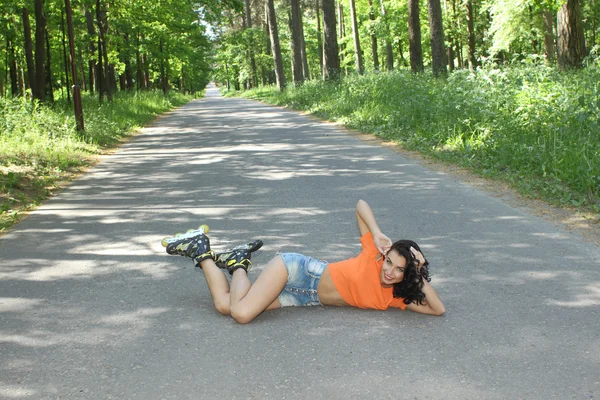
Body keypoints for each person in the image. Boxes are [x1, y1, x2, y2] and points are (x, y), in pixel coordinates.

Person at [165, 199, 445, 324]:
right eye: (389, 263)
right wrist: (376, 231)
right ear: (385, 256)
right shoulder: (374, 254)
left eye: (399, 270)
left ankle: (209, 253)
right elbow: (361, 205)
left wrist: (419, 271)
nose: (390, 272)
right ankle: (235, 262)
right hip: (296, 271)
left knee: (225, 306)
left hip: (302, 298)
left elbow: (438, 310)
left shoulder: (398, 297)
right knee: (241, 313)